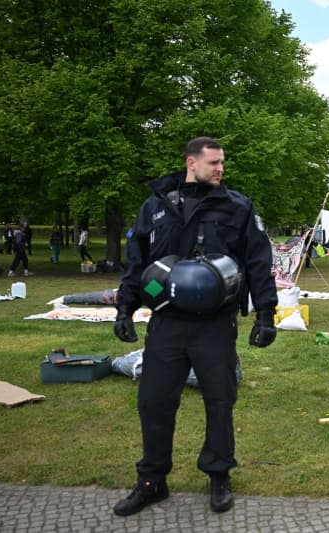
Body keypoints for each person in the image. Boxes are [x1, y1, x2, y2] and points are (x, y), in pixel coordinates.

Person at [112, 136, 278, 517]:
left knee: (219, 402)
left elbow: (257, 262)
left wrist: (266, 314)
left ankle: (219, 476)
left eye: (222, 163)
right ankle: (152, 481)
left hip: (215, 325)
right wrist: (125, 309)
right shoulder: (155, 207)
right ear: (191, 162)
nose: (221, 169)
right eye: (214, 163)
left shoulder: (236, 207)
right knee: (154, 402)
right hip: (167, 323)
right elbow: (136, 263)